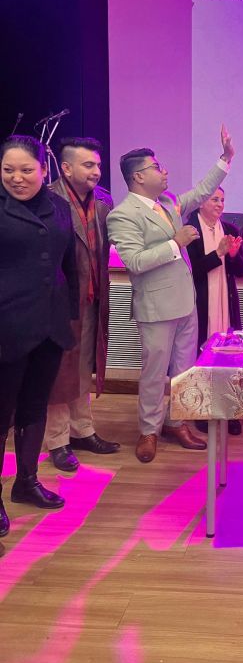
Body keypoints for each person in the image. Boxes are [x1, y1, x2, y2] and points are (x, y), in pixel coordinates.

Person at [107, 126, 234, 463]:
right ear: (138, 177)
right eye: (156, 167)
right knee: (154, 373)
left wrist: (225, 158)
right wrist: (175, 243)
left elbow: (203, 190)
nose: (164, 171)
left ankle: (177, 422)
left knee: (184, 370)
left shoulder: (169, 202)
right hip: (156, 306)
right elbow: (135, 262)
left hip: (185, 302)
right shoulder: (122, 215)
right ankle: (148, 431)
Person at [0, 135, 79, 537]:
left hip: (49, 326)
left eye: (26, 169)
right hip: (7, 328)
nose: (16, 177)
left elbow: (70, 265)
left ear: (43, 170)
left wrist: (72, 316)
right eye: (7, 170)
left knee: (34, 407)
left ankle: (26, 482)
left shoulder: (60, 207)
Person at [44, 138, 120, 471]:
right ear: (66, 168)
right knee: (59, 372)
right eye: (88, 165)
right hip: (59, 301)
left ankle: (82, 429)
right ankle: (57, 440)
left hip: (92, 297)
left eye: (98, 165)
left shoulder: (103, 200)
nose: (96, 171)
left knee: (83, 365)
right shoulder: (47, 199)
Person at [187, 186, 243, 436]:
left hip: (226, 303)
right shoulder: (190, 230)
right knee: (200, 357)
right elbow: (193, 270)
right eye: (214, 199)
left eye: (222, 200)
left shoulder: (230, 229)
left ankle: (229, 410)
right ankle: (202, 410)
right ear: (201, 202)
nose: (220, 204)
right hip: (200, 305)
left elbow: (241, 270)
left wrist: (232, 256)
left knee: (229, 356)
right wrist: (218, 253)